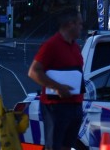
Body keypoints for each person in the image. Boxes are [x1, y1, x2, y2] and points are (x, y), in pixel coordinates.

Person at [28, 9, 84, 150]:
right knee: (54, 146)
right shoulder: (51, 45)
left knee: (67, 146)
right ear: (70, 24)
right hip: (56, 107)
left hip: (75, 105)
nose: (81, 27)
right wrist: (58, 87)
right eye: (79, 24)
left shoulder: (76, 47)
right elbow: (33, 72)